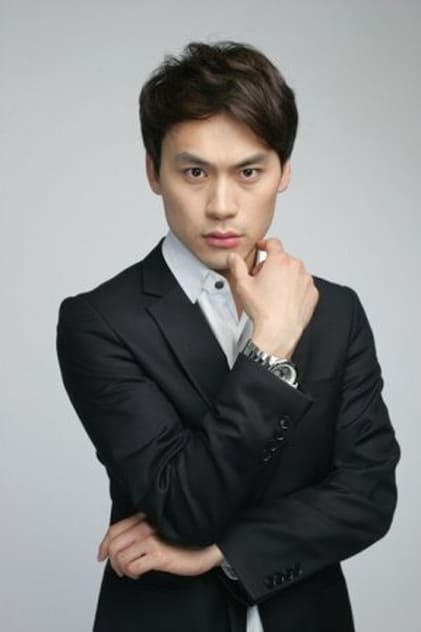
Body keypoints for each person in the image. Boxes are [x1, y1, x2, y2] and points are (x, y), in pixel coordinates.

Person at [56, 41, 400, 632]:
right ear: (153, 172)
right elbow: (183, 507)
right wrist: (270, 347)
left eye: (248, 172)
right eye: (194, 172)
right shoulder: (100, 321)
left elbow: (369, 495)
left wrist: (220, 553)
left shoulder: (337, 311)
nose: (221, 206)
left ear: (284, 172)